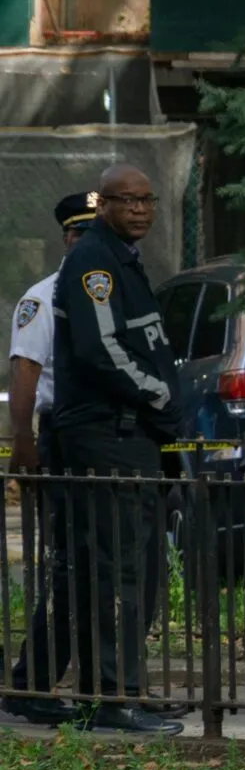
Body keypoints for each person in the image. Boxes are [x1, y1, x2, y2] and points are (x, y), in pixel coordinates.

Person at [46, 162, 183, 734]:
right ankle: (112, 697)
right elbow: (102, 349)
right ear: (104, 204)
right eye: (128, 200)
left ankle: (120, 690)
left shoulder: (122, 258)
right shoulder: (93, 260)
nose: (141, 210)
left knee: (132, 568)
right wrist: (158, 397)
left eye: (148, 200)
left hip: (132, 436)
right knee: (118, 570)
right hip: (111, 434)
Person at [4, 191, 100, 724]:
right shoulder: (45, 298)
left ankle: (60, 681)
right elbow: (26, 372)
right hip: (62, 438)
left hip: (95, 440)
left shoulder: (103, 294)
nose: (86, 243)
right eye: (79, 234)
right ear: (67, 240)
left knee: (85, 567)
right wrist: (24, 443)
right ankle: (33, 682)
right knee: (70, 566)